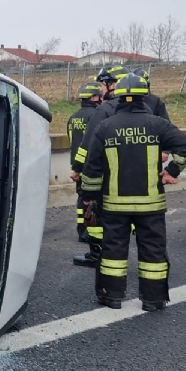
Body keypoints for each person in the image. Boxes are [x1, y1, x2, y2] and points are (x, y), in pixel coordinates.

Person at [79, 74, 186, 311]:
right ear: (144, 97)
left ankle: (111, 296)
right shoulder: (158, 124)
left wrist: (89, 198)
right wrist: (172, 170)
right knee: (153, 250)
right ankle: (153, 300)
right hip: (151, 204)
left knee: (113, 250)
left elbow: (92, 168)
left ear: (117, 96)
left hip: (115, 205)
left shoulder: (105, 127)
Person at [71, 63, 129, 267]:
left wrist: (77, 168)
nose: (101, 89)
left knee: (96, 210)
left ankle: (99, 254)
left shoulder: (104, 111)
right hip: (130, 176)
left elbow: (88, 145)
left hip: (103, 173)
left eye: (103, 84)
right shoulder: (142, 110)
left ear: (112, 84)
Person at [68, 81, 105, 244]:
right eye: (100, 96)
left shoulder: (73, 117)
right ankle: (91, 231)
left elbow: (72, 140)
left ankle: (81, 229)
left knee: (81, 198)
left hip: (76, 164)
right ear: (94, 97)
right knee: (93, 200)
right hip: (91, 165)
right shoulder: (96, 116)